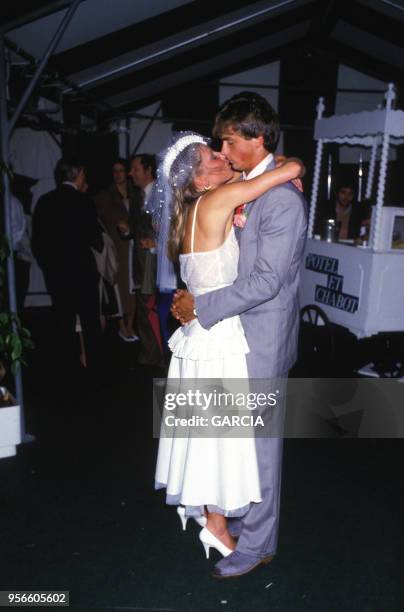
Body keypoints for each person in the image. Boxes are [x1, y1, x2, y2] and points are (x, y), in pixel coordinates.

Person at [155, 121, 305, 576]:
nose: (222, 157)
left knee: (206, 434)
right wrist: (291, 164)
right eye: (212, 157)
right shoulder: (220, 199)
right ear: (200, 178)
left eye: (223, 149)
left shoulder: (191, 209)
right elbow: (273, 175)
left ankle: (214, 515)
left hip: (199, 336)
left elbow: (248, 177)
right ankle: (218, 525)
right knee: (219, 438)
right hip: (218, 335)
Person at [32, 158, 104, 381]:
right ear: (77, 174)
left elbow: (37, 243)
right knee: (90, 324)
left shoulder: (44, 202)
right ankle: (94, 372)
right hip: (83, 273)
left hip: (57, 275)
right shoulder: (84, 202)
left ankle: (66, 372)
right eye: (83, 173)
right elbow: (95, 238)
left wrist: (49, 267)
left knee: (63, 322)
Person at [95, 159, 142, 342]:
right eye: (115, 171)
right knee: (120, 288)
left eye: (121, 170)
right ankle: (122, 326)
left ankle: (130, 325)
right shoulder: (105, 196)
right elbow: (97, 220)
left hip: (134, 247)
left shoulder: (135, 194)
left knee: (134, 288)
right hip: (117, 249)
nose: (118, 174)